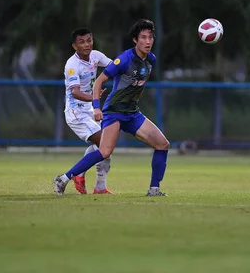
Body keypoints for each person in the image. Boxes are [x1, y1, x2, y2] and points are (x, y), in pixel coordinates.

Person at [54, 19, 170, 197]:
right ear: (135, 40)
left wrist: (135, 93)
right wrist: (97, 107)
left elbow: (137, 81)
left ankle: (154, 190)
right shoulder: (124, 59)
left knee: (162, 144)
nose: (148, 41)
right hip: (113, 112)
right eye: (143, 37)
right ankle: (64, 178)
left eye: (150, 37)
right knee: (105, 151)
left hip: (132, 113)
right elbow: (99, 82)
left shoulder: (150, 60)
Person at [62, 27, 114, 195]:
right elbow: (75, 92)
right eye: (81, 42)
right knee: (104, 143)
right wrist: (95, 97)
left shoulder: (96, 56)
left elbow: (115, 67)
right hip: (76, 112)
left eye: (89, 40)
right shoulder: (72, 65)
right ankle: (85, 178)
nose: (87, 45)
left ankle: (97, 185)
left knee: (104, 145)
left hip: (91, 108)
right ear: (74, 46)